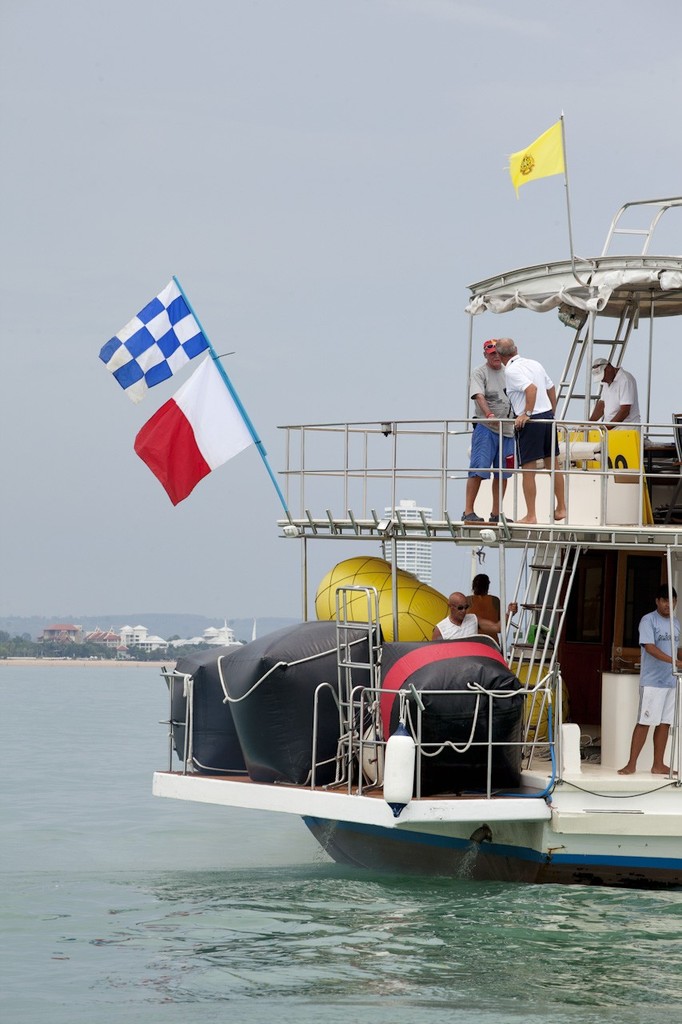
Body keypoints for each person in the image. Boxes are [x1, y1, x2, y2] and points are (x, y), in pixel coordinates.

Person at [496, 337, 566, 525]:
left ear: (500, 356)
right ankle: (561, 507)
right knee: (554, 466)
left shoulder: (510, 370)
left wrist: (526, 413)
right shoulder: (534, 363)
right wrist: (552, 411)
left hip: (532, 421)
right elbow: (551, 388)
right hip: (547, 419)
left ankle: (531, 515)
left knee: (528, 470)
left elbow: (531, 389)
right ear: (516, 349)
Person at [619, 586, 681, 776]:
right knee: (645, 721)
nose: (668, 605)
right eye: (664, 600)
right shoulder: (648, 620)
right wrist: (674, 661)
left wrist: (678, 660)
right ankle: (631, 764)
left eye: (671, 601)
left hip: (671, 680)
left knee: (665, 723)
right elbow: (650, 647)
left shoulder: (676, 623)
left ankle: (658, 764)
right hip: (652, 681)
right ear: (657, 601)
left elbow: (677, 649)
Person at [462, 339, 515, 524]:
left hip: (508, 430)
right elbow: (478, 396)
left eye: (498, 353)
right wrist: (489, 414)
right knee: (478, 469)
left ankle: (496, 513)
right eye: (492, 353)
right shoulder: (479, 372)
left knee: (504, 473)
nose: (495, 356)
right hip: (486, 428)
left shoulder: (510, 372)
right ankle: (468, 511)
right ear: (485, 354)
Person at [589, 359, 641, 430]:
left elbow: (625, 411)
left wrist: (607, 427)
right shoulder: (607, 381)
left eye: (603, 377)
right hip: (611, 429)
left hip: (626, 430)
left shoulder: (625, 380)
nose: (602, 380)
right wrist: (588, 424)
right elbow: (601, 405)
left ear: (608, 368)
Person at [467, 573, 518, 639]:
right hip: (492, 643)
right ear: (487, 586)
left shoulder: (466, 601)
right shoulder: (495, 600)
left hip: (472, 642)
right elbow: (501, 626)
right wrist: (509, 613)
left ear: (473, 586)